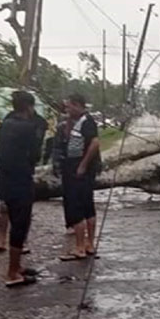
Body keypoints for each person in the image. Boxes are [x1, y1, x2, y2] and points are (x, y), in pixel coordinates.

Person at [0, 91, 46, 287]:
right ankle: (12, 272)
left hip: (5, 178)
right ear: (29, 107)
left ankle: (16, 267)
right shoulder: (29, 128)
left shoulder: (6, 123)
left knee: (15, 220)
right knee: (20, 225)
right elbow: (35, 155)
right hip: (20, 179)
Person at [56, 93, 101, 261]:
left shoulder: (87, 122)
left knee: (78, 206)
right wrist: (68, 121)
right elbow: (67, 139)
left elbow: (95, 143)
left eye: (69, 106)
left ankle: (81, 246)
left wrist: (82, 165)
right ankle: (88, 244)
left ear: (77, 105)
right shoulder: (74, 122)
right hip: (73, 167)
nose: (67, 109)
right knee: (87, 205)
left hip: (79, 169)